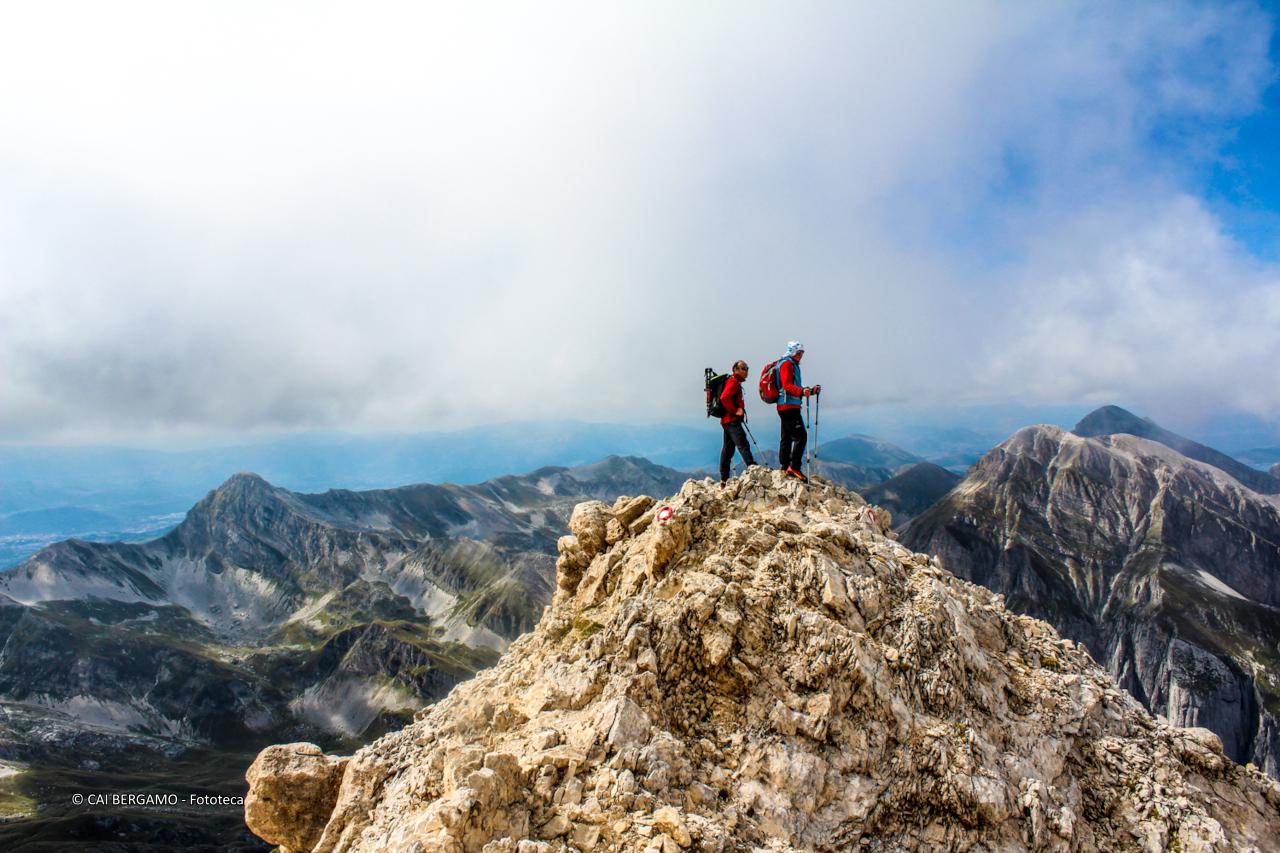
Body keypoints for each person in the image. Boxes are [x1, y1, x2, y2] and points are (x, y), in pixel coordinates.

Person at [774, 341, 820, 482]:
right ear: (793, 351)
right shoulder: (787, 364)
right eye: (799, 352)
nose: (801, 355)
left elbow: (795, 387)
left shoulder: (790, 364)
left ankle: (785, 466)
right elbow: (787, 385)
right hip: (788, 406)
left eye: (802, 353)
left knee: (787, 437)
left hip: (787, 405)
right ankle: (794, 467)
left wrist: (810, 391)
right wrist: (802, 391)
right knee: (801, 437)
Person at [718, 360, 756, 483]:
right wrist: (735, 411)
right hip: (732, 421)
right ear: (735, 370)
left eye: (747, 368)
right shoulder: (733, 382)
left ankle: (724, 479)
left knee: (728, 450)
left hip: (727, 421)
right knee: (743, 444)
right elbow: (724, 397)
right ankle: (753, 469)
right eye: (744, 368)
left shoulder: (733, 382)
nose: (746, 371)